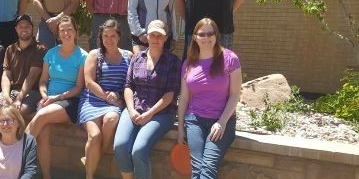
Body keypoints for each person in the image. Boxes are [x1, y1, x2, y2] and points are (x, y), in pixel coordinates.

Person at [113, 20, 180, 179]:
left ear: (165, 38)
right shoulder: (137, 58)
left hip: (161, 113)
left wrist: (149, 114)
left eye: (159, 36)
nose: (155, 39)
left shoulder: (173, 61)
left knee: (139, 150)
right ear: (147, 37)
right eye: (152, 35)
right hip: (134, 109)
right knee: (120, 146)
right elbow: (128, 86)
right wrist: (131, 110)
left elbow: (170, 94)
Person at [177, 18, 241, 179]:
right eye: (202, 34)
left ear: (216, 35)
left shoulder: (230, 58)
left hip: (222, 121)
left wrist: (221, 122)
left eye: (210, 33)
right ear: (195, 37)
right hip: (195, 120)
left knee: (208, 168)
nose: (206, 38)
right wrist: (180, 128)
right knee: (197, 169)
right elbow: (184, 98)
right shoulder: (188, 64)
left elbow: (235, 95)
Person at [25, 15, 87, 179]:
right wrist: (45, 95)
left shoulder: (83, 56)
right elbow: (43, 81)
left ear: (75, 32)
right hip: (48, 99)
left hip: (70, 101)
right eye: (62, 30)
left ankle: (14, 156)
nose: (66, 33)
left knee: (41, 116)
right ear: (58, 34)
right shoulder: (51, 54)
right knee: (42, 133)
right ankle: (46, 176)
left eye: (69, 29)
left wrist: (54, 98)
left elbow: (79, 88)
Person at [78, 19, 131, 179]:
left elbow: (131, 83)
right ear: (101, 37)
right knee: (94, 135)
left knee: (111, 119)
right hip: (92, 100)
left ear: (119, 37)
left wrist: (119, 96)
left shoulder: (129, 56)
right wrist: (107, 97)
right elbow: (89, 82)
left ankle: (92, 159)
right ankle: (89, 175)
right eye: (105, 36)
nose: (109, 39)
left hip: (115, 101)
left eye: (112, 36)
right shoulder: (94, 54)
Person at [0, 14, 47, 132]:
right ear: (16, 29)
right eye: (21, 26)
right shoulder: (10, 49)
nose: (24, 29)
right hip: (12, 91)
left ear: (33, 29)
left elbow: (32, 76)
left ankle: (14, 145)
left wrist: (19, 99)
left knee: (13, 114)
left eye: (27, 26)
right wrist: (6, 96)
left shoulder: (40, 49)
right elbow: (6, 75)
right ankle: (1, 142)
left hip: (32, 92)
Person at [0, 106, 40, 179]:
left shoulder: (29, 141)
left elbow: (30, 171)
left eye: (10, 120)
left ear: (18, 122)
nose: (5, 124)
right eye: (2, 121)